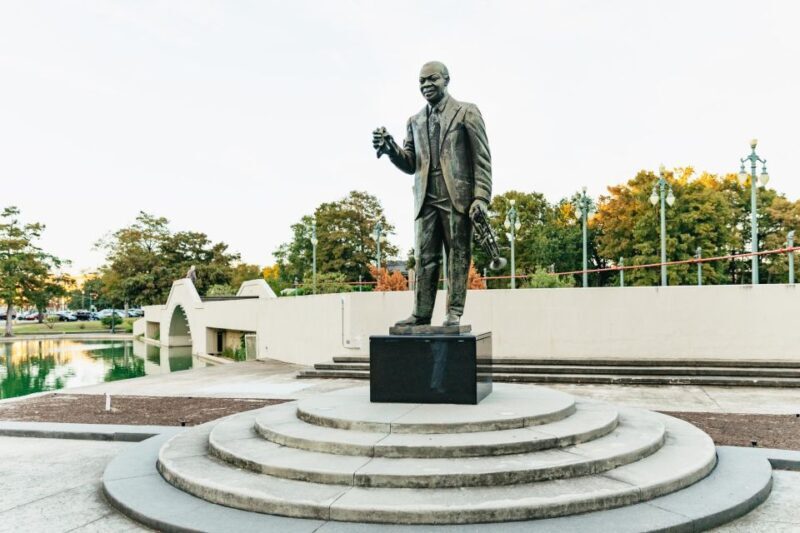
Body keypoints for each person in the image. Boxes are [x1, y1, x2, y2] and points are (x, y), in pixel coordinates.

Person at [373, 61, 491, 327]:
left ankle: (454, 312)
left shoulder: (467, 112)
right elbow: (410, 164)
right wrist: (391, 149)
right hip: (425, 198)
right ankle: (421, 313)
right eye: (421, 81)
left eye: (432, 79)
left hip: (457, 197)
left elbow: (482, 158)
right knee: (425, 258)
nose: (426, 85)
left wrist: (481, 197)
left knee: (458, 255)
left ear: (446, 80)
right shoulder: (414, 121)